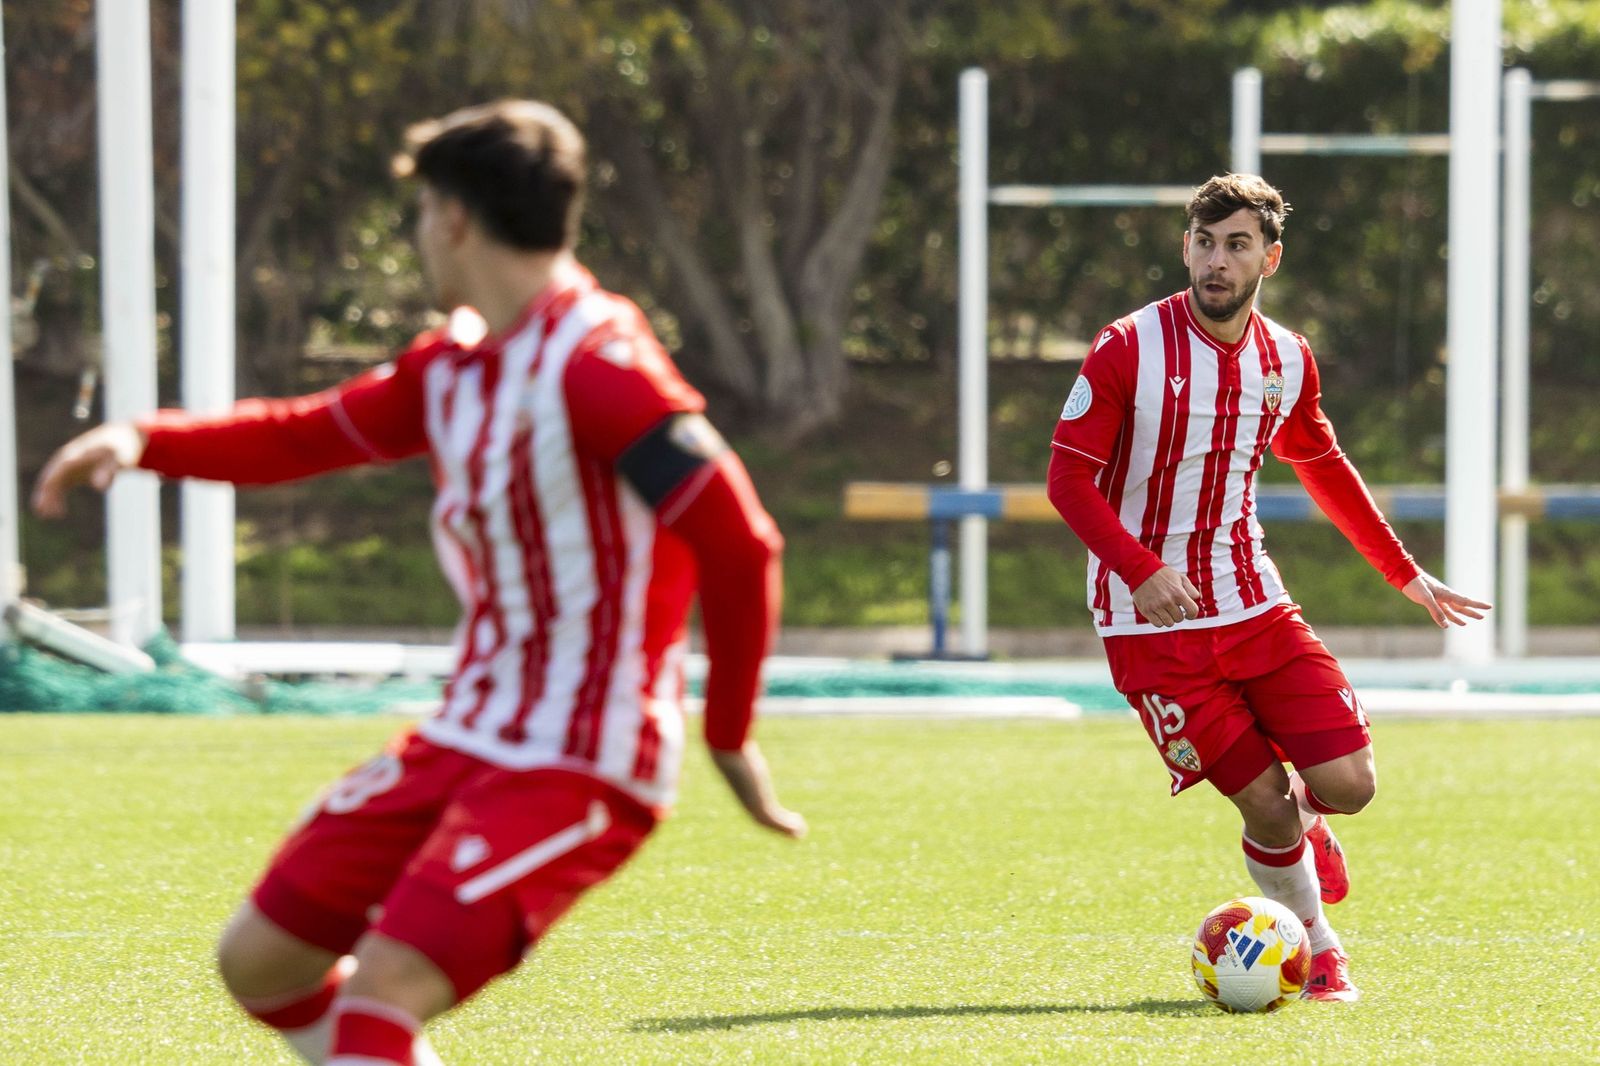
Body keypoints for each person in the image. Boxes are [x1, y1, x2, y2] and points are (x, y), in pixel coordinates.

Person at [32, 99, 806, 1065]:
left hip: (581, 758)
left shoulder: (600, 369)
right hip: (466, 736)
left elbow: (740, 542)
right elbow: (302, 435)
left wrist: (728, 735)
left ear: (451, 217)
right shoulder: (458, 368)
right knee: (260, 962)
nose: (417, 240)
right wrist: (144, 441)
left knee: (383, 995)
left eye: (418, 217)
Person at [1045, 173, 1490, 1003]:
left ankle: (1314, 830)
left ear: (1269, 258)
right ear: (1186, 247)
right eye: (1205, 243)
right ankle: (1319, 949)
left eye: (1237, 245)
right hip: (1151, 629)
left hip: (1255, 604)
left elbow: (1324, 466)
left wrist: (1404, 572)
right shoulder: (1126, 349)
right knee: (1267, 807)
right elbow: (1067, 481)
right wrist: (1141, 572)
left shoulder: (1286, 359)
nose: (1217, 261)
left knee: (1349, 787)